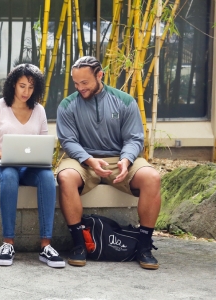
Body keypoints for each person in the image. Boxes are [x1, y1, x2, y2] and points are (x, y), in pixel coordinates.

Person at [56, 56, 161, 270]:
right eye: (76, 83)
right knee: (65, 176)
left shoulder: (125, 101)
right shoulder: (67, 105)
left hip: (119, 158)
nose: (80, 88)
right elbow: (68, 141)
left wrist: (126, 159)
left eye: (84, 83)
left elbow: (134, 138)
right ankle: (79, 244)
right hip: (82, 159)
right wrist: (89, 160)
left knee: (152, 177)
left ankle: (143, 246)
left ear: (100, 75)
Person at [0, 64, 65, 268]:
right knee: (9, 174)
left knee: (46, 177)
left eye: (31, 87)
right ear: (13, 85)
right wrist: (7, 155)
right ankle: (7, 243)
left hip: (28, 167)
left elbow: (43, 144)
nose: (26, 92)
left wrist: (38, 158)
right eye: (22, 86)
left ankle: (46, 245)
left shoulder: (39, 110)